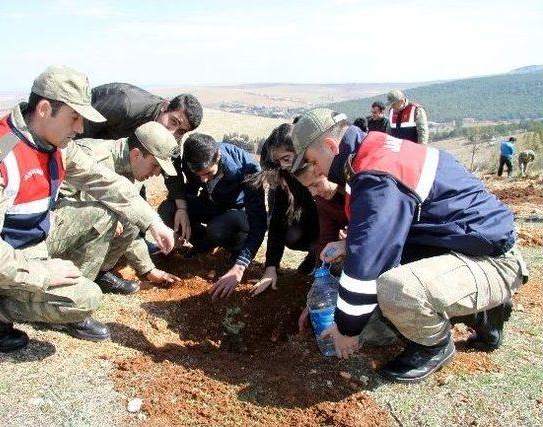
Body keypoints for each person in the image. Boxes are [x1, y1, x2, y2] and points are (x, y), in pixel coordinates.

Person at [291, 108, 527, 382]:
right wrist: (348, 247)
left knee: (395, 288)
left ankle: (434, 345)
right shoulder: (372, 151)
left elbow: (366, 268)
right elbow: (385, 230)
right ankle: (483, 314)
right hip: (465, 246)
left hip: (494, 260)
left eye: (312, 160)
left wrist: (346, 330)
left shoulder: (375, 174)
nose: (316, 170)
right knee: (369, 276)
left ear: (331, 146)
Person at [0, 65, 175, 353]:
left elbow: (104, 181)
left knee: (102, 213)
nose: (80, 128)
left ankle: (53, 302)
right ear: (45, 109)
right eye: (74, 118)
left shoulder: (56, 145)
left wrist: (152, 221)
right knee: (87, 298)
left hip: (36, 241)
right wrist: (43, 274)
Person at [78, 83, 203, 267]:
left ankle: (131, 247)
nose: (172, 132)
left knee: (133, 199)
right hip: (89, 146)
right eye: (173, 121)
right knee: (106, 209)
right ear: (165, 106)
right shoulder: (126, 105)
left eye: (181, 131)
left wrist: (182, 208)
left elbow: (172, 170)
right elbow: (80, 129)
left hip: (126, 159)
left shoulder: (171, 137)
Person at [58, 121, 181, 293]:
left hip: (78, 230)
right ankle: (74, 289)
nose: (155, 173)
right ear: (136, 154)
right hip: (51, 232)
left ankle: (99, 274)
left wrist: (148, 270)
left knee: (130, 216)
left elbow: (132, 228)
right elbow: (60, 203)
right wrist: (110, 219)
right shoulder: (95, 156)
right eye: (155, 165)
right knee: (107, 216)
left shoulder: (132, 173)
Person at [158, 133, 267, 300]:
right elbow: (191, 188)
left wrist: (241, 265)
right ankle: (203, 245)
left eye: (208, 173)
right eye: (198, 173)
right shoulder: (193, 157)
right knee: (168, 208)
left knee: (218, 228)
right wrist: (182, 214)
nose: (203, 178)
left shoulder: (248, 169)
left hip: (237, 215)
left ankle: (235, 250)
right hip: (211, 204)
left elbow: (258, 221)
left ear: (218, 156)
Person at [249, 123, 347, 296]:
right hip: (321, 228)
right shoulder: (286, 177)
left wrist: (349, 239)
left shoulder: (330, 169)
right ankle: (316, 256)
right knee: (292, 235)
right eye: (279, 162)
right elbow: (277, 221)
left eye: (287, 158)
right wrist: (271, 267)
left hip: (346, 230)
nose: (285, 166)